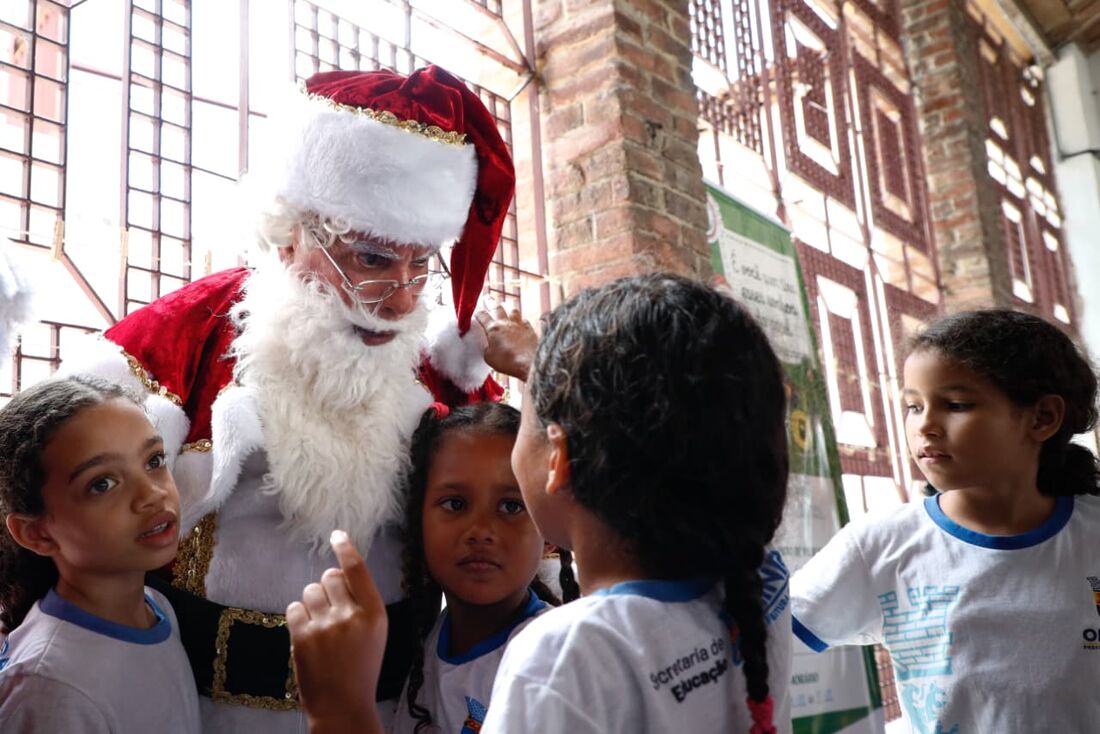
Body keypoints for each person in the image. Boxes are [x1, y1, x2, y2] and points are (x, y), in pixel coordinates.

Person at [63, 65, 525, 731]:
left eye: (419, 265)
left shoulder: (438, 368)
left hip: (386, 712)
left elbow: (534, 512)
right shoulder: (194, 330)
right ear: (291, 235)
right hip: (194, 711)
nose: (399, 299)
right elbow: (44, 472)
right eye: (369, 259)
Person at [790, 309, 1100, 733]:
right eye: (913, 406)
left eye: (956, 405)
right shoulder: (880, 544)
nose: (925, 426)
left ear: (1043, 417)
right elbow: (762, 637)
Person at [0, 375, 199, 732]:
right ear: (37, 533)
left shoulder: (157, 608)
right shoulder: (53, 687)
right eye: (102, 484)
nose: (152, 494)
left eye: (153, 460)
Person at [393, 402, 566, 733]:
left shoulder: (550, 659)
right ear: (419, 521)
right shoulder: (427, 642)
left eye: (511, 506)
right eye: (455, 504)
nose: (482, 531)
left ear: (548, 523)